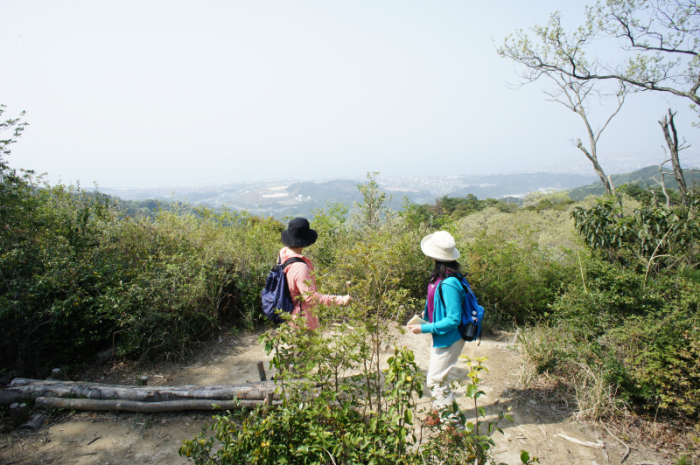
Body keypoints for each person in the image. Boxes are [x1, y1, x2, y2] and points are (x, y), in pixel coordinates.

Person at [407, 230, 466, 422]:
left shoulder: (449, 282)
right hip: (443, 337)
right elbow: (441, 304)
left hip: (450, 338)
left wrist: (423, 328)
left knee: (434, 380)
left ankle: (451, 422)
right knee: (438, 377)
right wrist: (428, 314)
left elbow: (453, 319)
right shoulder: (443, 277)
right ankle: (438, 414)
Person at [278, 217, 351, 330]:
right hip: (302, 322)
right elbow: (311, 298)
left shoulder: (283, 253)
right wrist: (340, 300)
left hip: (287, 315)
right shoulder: (300, 267)